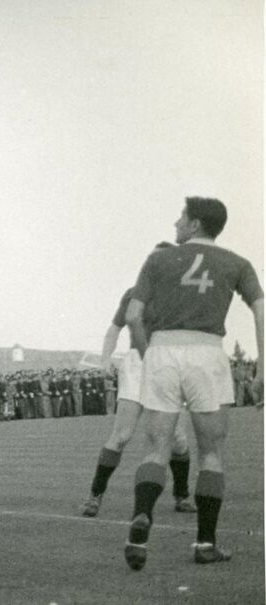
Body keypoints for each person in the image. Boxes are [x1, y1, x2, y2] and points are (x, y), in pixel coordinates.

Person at [122, 197, 263, 570]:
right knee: (211, 453)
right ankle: (204, 543)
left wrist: (146, 351)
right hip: (207, 354)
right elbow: (261, 309)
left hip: (164, 352)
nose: (176, 223)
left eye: (181, 218)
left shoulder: (157, 259)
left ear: (196, 223)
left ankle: (140, 522)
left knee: (156, 448)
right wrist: (262, 365)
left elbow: (134, 315)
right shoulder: (238, 263)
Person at [81, 244, 197, 519]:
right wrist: (105, 359)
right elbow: (114, 329)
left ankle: (181, 495)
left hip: (168, 365)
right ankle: (94, 496)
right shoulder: (134, 294)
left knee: (179, 440)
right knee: (121, 435)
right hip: (137, 365)